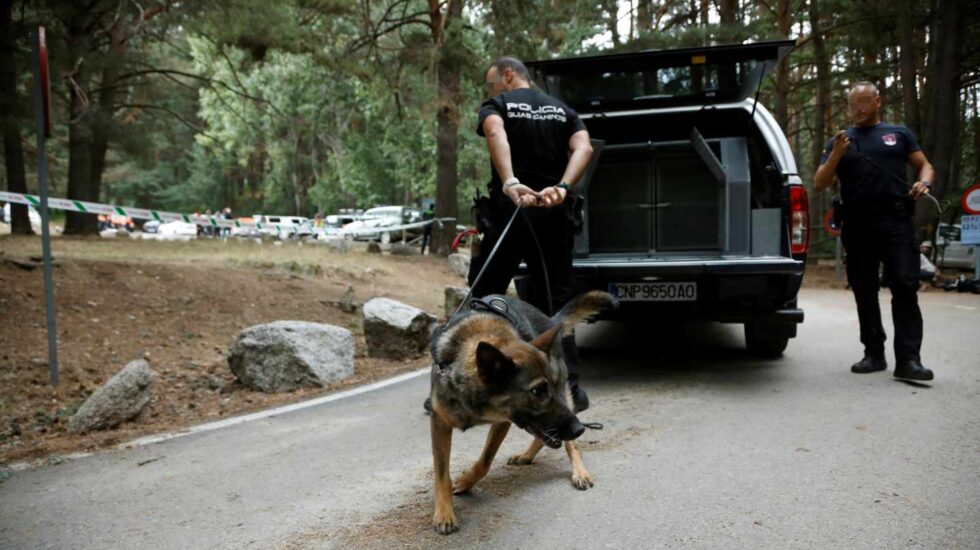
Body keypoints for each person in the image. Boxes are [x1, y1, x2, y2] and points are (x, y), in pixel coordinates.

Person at [469, 56, 594, 409]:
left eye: (491, 83)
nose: (489, 90)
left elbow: (495, 131)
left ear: (508, 75)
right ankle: (570, 390)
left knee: (485, 298)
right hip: (553, 217)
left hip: (510, 215)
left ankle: (476, 383)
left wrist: (510, 182)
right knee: (555, 304)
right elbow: (583, 147)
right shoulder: (563, 110)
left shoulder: (498, 105)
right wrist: (563, 187)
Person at [813, 82, 935, 382]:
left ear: (877, 101)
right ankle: (873, 353)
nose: (858, 108)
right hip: (857, 222)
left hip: (896, 220)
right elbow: (819, 183)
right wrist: (836, 155)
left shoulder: (899, 133)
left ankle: (909, 360)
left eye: (864, 101)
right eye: (853, 103)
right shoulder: (839, 140)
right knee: (864, 289)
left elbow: (925, 166)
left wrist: (924, 183)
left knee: (905, 286)